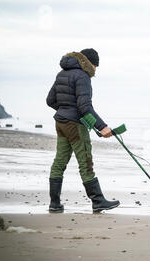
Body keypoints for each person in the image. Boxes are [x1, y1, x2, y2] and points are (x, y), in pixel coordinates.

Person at [46, 48, 120, 213]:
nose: (95, 69)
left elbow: (50, 100)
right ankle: (98, 201)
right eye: (95, 66)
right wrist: (102, 127)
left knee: (59, 161)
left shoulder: (61, 74)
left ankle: (55, 203)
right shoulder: (83, 76)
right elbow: (85, 107)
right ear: (89, 63)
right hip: (75, 125)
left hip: (60, 122)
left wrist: (65, 109)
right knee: (85, 161)